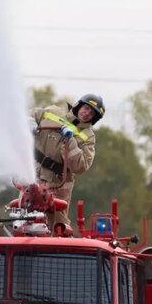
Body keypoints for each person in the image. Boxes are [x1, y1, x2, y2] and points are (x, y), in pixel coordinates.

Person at [30, 94, 103, 233]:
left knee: (58, 226)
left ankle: (56, 253)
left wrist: (70, 141)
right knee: (24, 215)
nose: (87, 113)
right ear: (79, 105)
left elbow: (81, 166)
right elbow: (30, 115)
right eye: (86, 108)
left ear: (94, 118)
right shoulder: (53, 111)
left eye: (92, 113)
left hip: (59, 184)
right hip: (34, 174)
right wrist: (30, 123)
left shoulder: (88, 137)